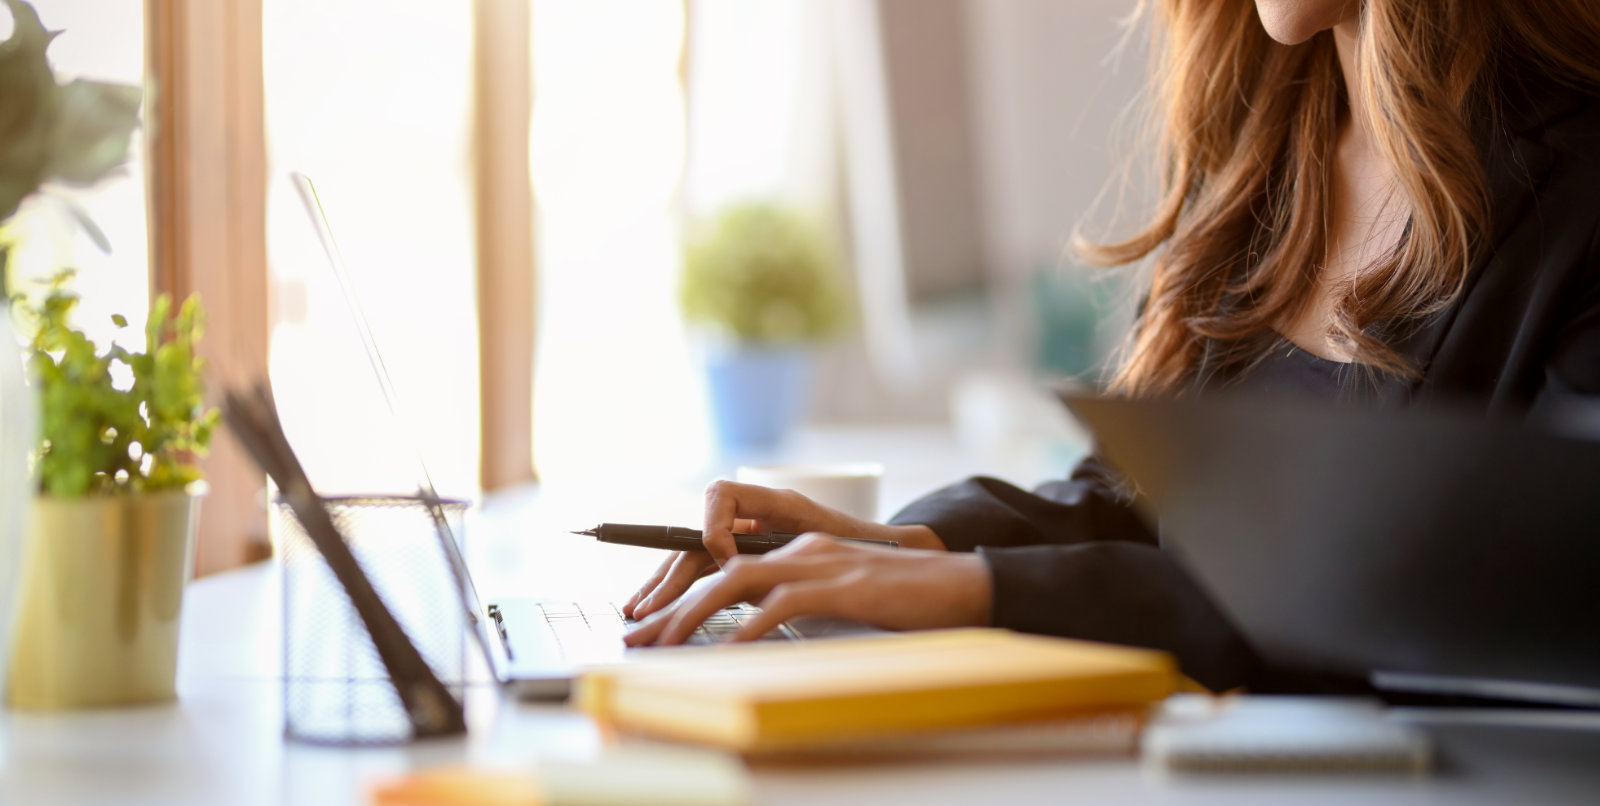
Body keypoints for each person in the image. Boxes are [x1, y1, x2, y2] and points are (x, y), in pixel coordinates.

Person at [622, 0, 1600, 691]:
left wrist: (985, 589)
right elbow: (1141, 508)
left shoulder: (1577, 198)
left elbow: (1465, 596)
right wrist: (899, 545)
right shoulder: (1272, 159)